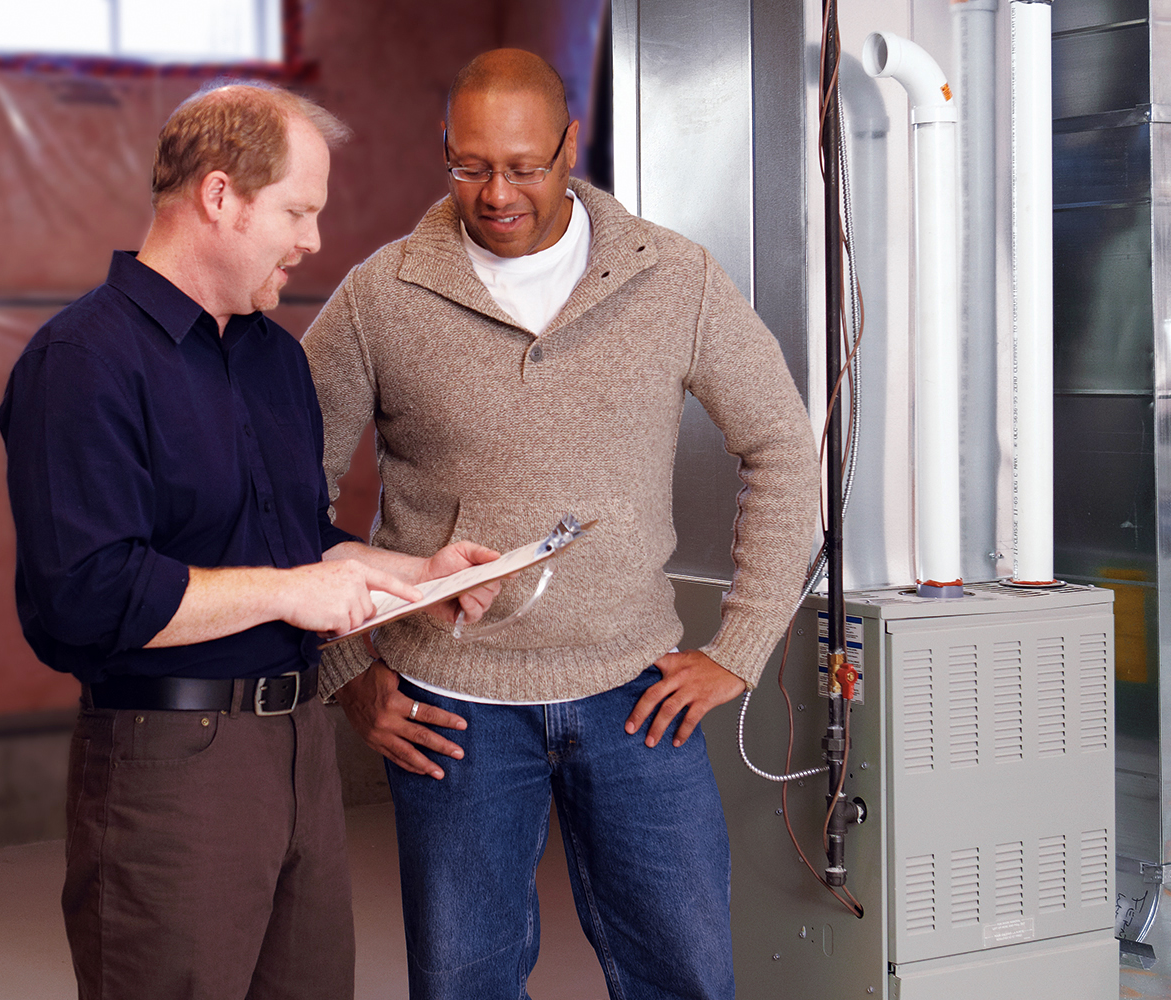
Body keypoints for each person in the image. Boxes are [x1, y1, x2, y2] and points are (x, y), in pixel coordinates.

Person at [302, 50, 820, 1000]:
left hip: (635, 696)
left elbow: (785, 447)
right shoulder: (382, 297)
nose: (496, 193)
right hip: (449, 709)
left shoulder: (673, 277)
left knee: (689, 978)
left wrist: (740, 646)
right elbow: (285, 490)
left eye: (524, 166)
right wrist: (347, 672)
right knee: (465, 985)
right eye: (470, 166)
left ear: (570, 147)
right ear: (446, 151)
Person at [0, 82, 498, 1000]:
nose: (313, 240)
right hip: (168, 761)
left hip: (299, 751)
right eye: (299, 211)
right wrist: (284, 592)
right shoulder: (82, 364)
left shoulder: (271, 357)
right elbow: (87, 596)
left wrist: (416, 572)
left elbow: (301, 545)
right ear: (219, 196)